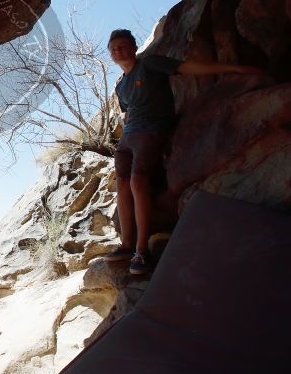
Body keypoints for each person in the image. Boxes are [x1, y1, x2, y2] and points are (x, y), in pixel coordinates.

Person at [103, 29, 262, 275]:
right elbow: (128, 110)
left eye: (123, 46)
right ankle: (126, 245)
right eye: (113, 49)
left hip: (151, 131)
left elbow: (188, 68)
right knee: (122, 184)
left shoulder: (151, 63)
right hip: (128, 139)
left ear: (134, 47)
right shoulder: (121, 86)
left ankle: (141, 250)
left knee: (138, 180)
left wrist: (234, 69)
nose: (118, 51)